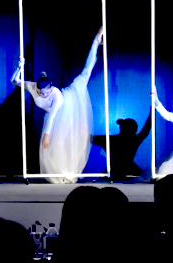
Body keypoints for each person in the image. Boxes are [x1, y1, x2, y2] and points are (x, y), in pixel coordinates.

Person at [11, 27, 104, 184]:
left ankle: (96, 42)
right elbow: (15, 81)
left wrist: (46, 135)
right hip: (54, 117)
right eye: (40, 93)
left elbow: (52, 115)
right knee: (53, 147)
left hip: (68, 107)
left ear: (51, 88)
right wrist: (20, 67)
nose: (43, 95)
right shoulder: (32, 86)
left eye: (46, 93)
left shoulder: (57, 95)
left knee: (85, 75)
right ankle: (59, 172)